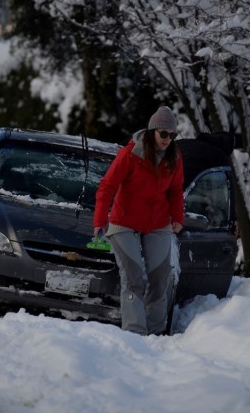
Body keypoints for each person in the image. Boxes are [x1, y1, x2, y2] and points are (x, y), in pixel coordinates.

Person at [93, 106, 184, 335]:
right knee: (133, 277)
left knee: (160, 277)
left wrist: (178, 217)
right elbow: (108, 186)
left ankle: (155, 333)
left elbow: (175, 189)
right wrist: (100, 220)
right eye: (163, 134)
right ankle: (135, 333)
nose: (167, 139)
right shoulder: (130, 154)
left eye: (172, 135)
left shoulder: (174, 157)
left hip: (158, 221)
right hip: (124, 221)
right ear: (153, 131)